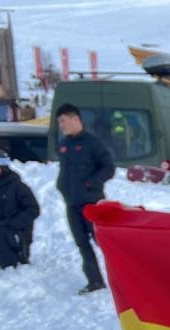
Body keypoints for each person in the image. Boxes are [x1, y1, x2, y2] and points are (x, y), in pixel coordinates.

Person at [55, 102, 115, 295]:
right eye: (59, 122)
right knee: (82, 243)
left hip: (91, 203)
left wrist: (92, 183)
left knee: (102, 242)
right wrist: (61, 185)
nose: (61, 126)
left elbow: (108, 167)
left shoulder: (92, 142)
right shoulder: (64, 145)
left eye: (63, 121)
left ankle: (123, 278)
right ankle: (95, 281)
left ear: (75, 119)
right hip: (72, 203)